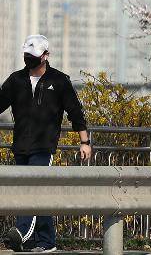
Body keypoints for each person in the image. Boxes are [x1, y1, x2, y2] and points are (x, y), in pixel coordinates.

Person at [0, 35, 91, 253]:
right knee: (32, 189)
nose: (28, 59)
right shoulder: (16, 80)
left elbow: (75, 112)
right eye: (26, 56)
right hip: (20, 145)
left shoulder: (59, 81)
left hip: (44, 146)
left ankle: (21, 232)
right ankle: (46, 241)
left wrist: (85, 141)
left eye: (32, 56)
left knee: (31, 189)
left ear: (45, 56)